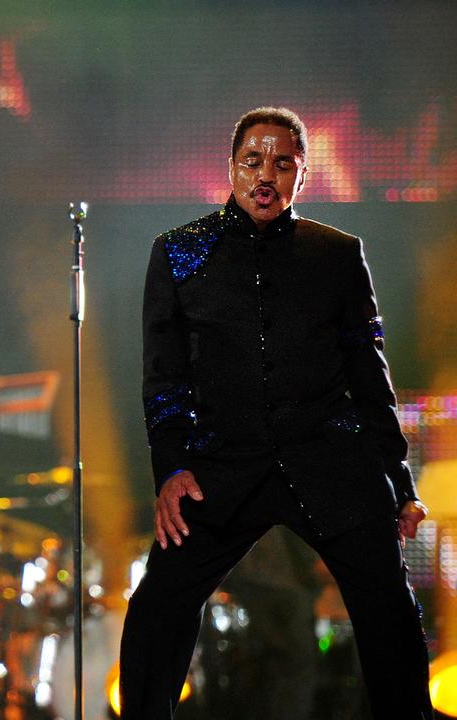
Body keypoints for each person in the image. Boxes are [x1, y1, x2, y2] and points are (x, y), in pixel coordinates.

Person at [119, 107, 432, 719]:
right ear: (231, 168)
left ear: (302, 175)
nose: (266, 176)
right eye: (252, 161)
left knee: (390, 608)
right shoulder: (179, 254)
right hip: (223, 465)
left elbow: (371, 377)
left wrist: (400, 484)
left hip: (329, 458)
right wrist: (172, 469)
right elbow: (164, 377)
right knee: (158, 606)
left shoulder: (337, 254)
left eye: (282, 163)